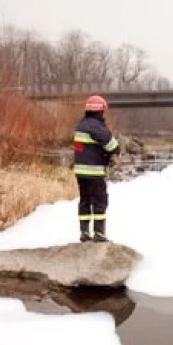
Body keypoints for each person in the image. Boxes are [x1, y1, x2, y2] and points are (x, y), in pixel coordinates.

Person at [73, 95, 120, 242]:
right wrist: (116, 150)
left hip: (80, 172)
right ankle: (99, 234)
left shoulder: (80, 125)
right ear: (101, 111)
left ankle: (84, 233)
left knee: (85, 200)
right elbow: (111, 145)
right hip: (94, 172)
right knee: (100, 201)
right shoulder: (97, 127)